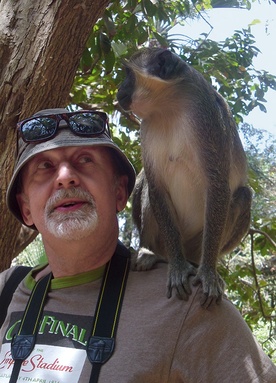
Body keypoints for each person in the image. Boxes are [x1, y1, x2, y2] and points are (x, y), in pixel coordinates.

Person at [0, 108, 275, 383]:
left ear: (120, 193)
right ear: (26, 210)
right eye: (44, 167)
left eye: (85, 160)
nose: (65, 177)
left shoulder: (188, 304)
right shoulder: (6, 290)